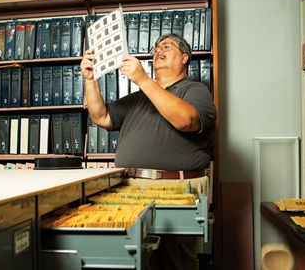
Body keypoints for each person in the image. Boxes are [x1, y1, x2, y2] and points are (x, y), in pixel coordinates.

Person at [81, 33, 217, 270]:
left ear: (185, 58)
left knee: (176, 263)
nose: (159, 51)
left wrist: (143, 79)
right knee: (136, 260)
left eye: (167, 46)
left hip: (176, 191)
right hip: (129, 189)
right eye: (156, 48)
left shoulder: (195, 90)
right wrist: (90, 79)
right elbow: (101, 116)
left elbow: (186, 120)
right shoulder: (138, 98)